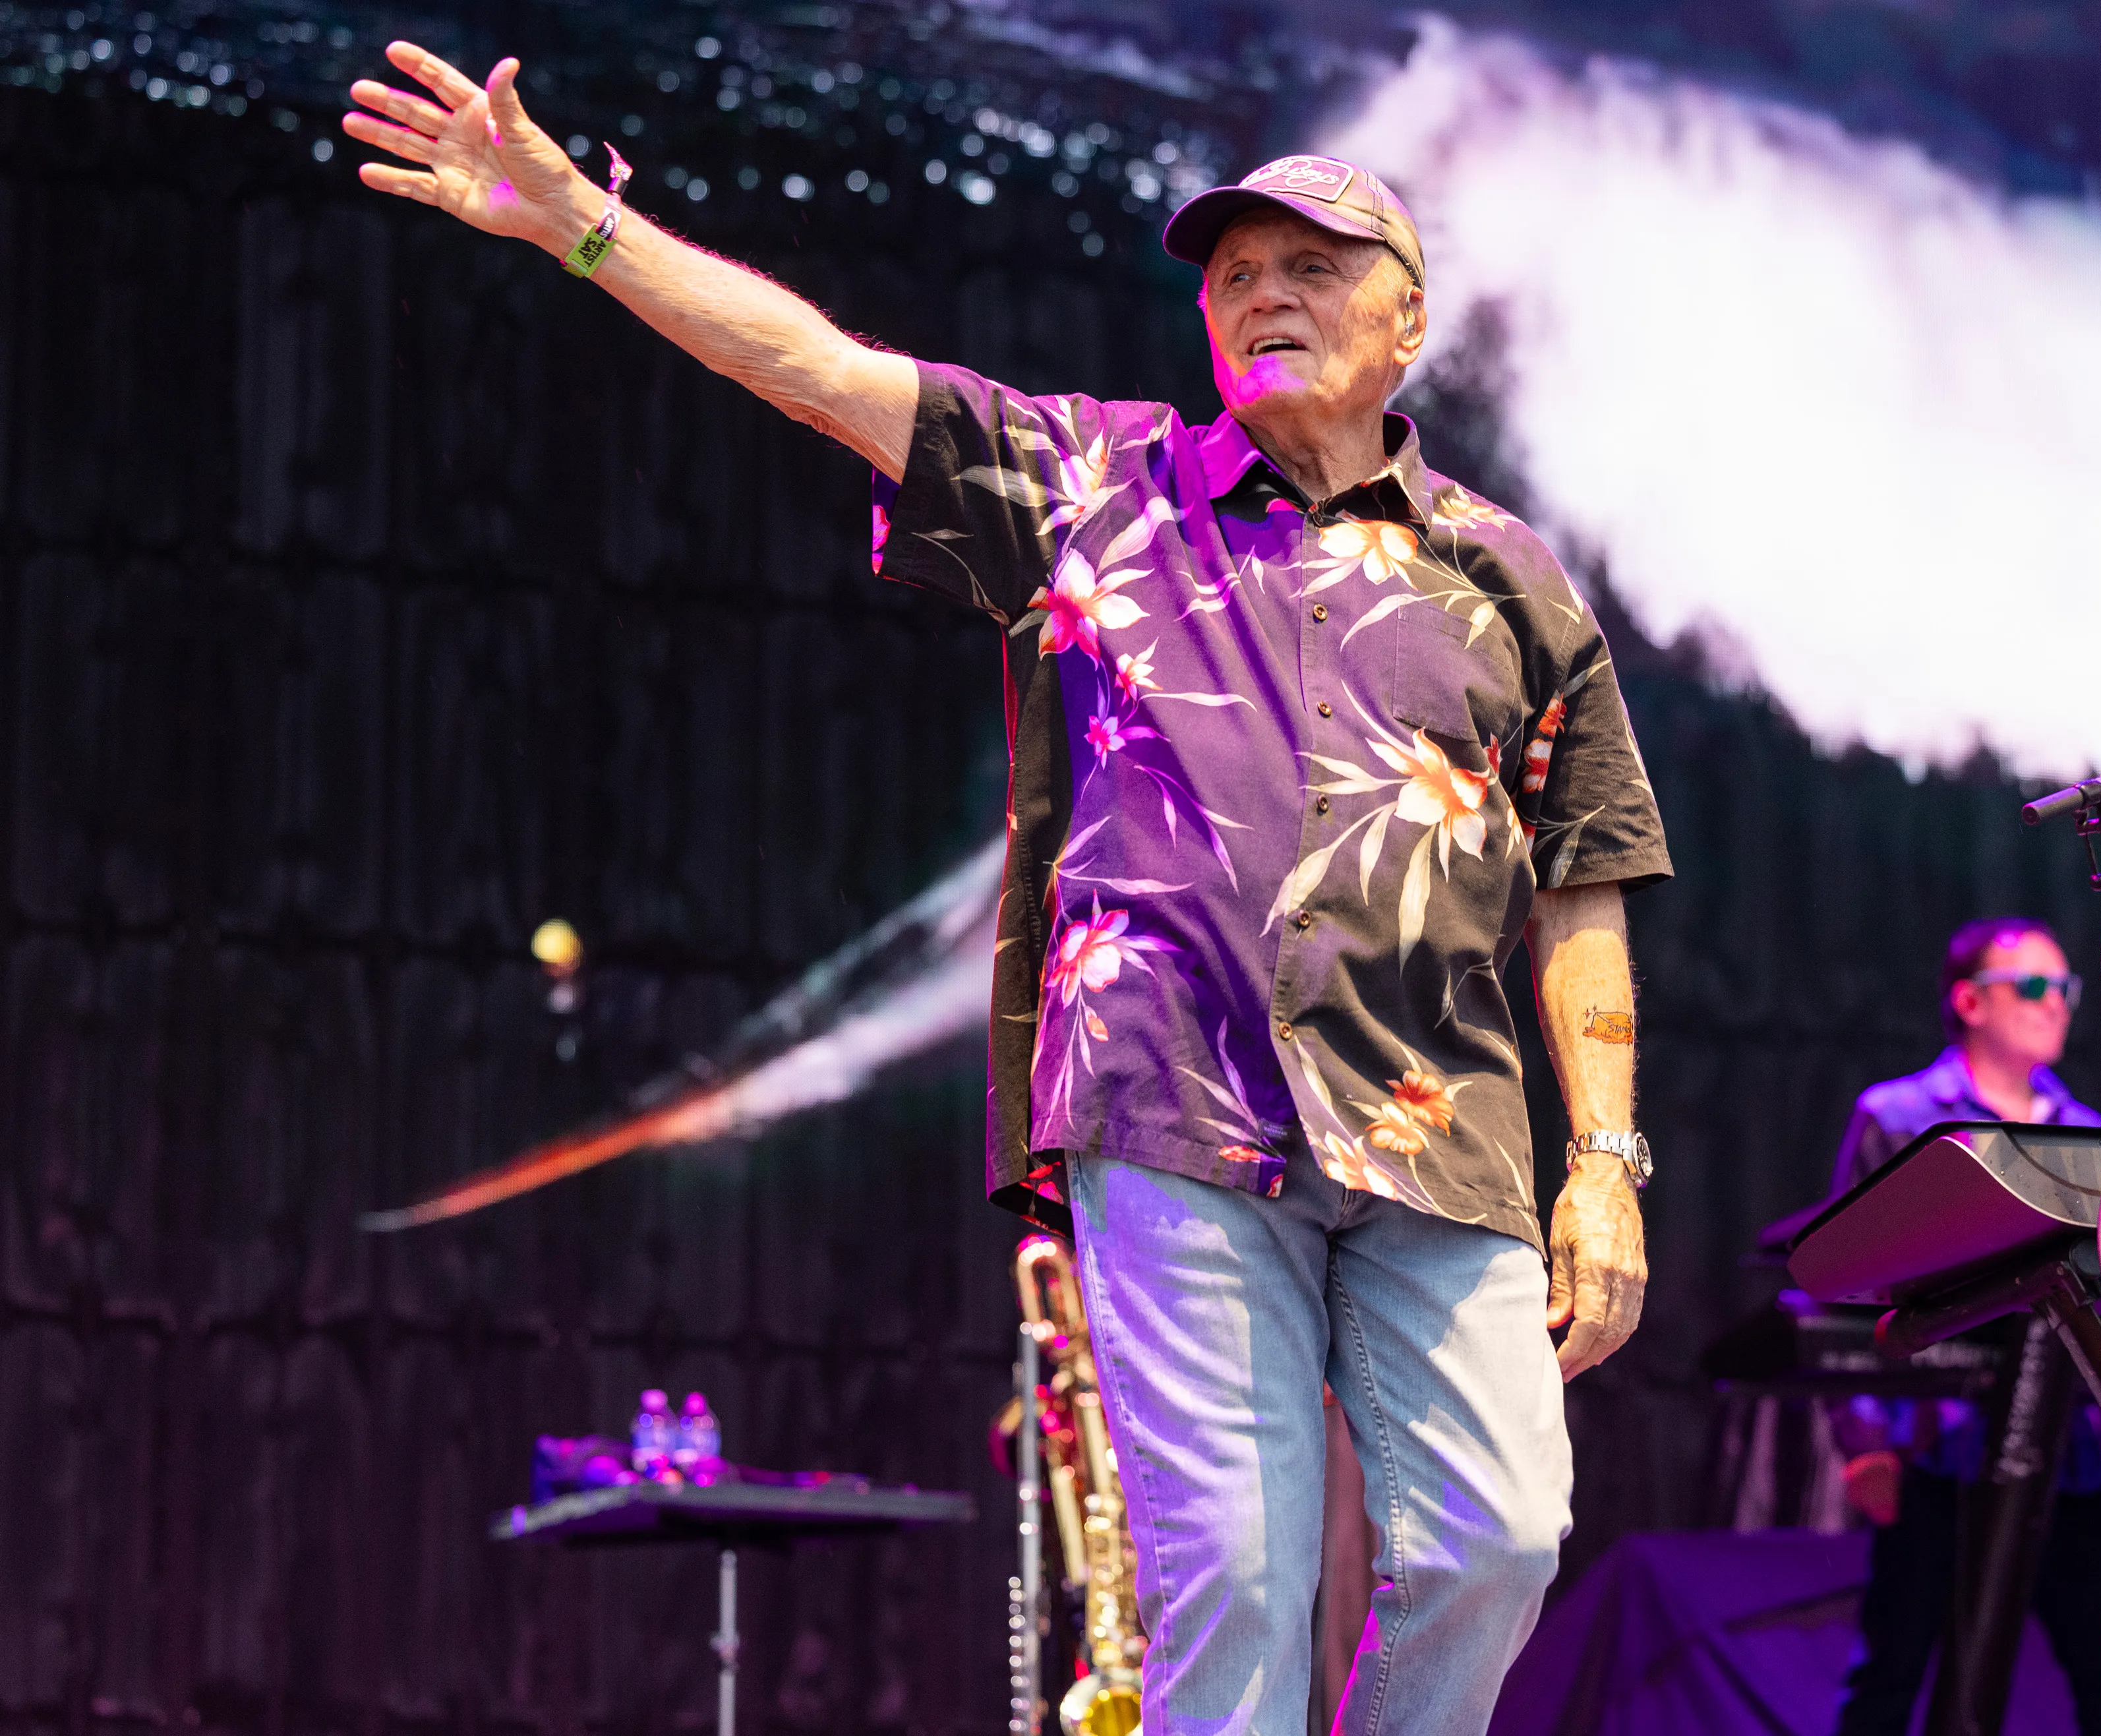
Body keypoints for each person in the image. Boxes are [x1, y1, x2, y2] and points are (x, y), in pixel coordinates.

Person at [345, 53, 1673, 1734]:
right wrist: (585, 228)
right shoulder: (1093, 484)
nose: (1261, 291)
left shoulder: (1512, 577)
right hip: (1171, 1110)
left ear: (1407, 324)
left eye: (1310, 268)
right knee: (1239, 1587)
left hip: (1450, 1135)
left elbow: (1586, 885)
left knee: (1496, 1541)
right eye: (1232, 276)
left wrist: (1608, 1167)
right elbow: (822, 371)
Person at [1828, 916, 2101, 1736]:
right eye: (2031, 985)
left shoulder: (2092, 1131)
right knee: (1893, 1670)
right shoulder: (1899, 1114)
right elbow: (1846, 1293)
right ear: (1968, 1000)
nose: (2055, 1003)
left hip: (2070, 1453)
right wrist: (1863, 1442)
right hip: (1935, 1446)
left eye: (2063, 988)